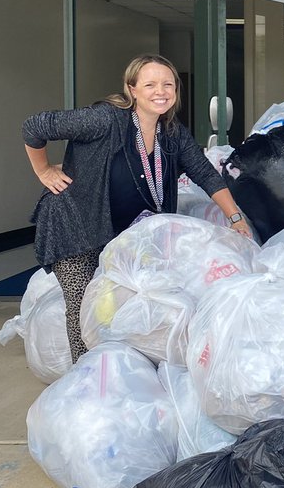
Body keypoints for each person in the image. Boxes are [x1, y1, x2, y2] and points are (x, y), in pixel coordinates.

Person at [22, 54, 251, 363]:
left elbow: (205, 174)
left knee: (125, 301)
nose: (161, 91)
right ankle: (88, 378)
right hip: (75, 226)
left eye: (168, 84)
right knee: (84, 304)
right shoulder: (104, 119)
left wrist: (235, 217)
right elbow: (35, 127)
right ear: (132, 89)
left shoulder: (170, 131)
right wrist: (44, 170)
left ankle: (127, 370)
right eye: (150, 84)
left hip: (125, 233)